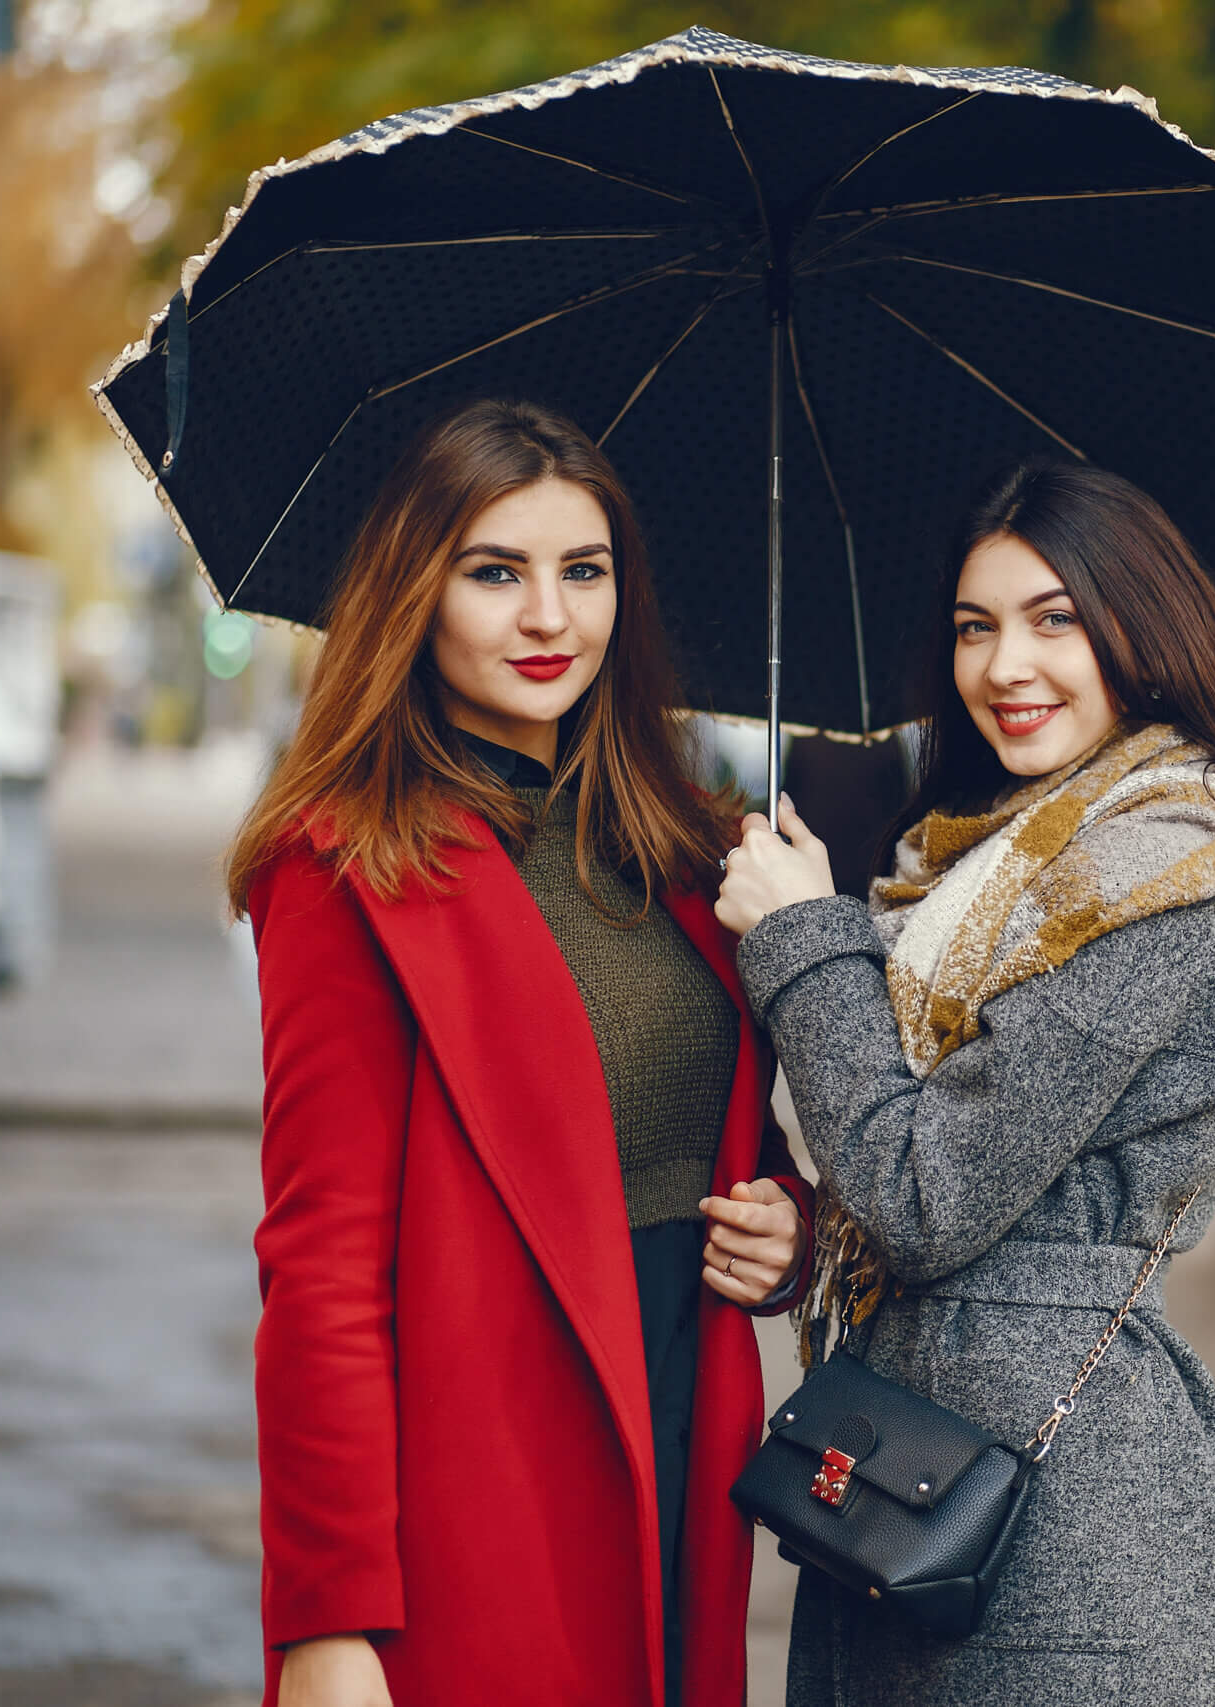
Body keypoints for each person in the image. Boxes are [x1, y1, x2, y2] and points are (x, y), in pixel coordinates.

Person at [716, 459, 1215, 1704]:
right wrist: (807, 1242)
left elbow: (928, 1194)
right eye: (975, 627)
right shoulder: (982, 866)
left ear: (1147, 627)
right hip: (900, 1467)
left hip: (1065, 1522)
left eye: (1052, 618)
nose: (1005, 665)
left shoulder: (1165, 874)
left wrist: (803, 940)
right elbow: (919, 1160)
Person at [226, 398, 813, 1707]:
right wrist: (327, 1620)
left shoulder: (693, 852)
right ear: (416, 593)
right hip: (484, 1465)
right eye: (497, 571)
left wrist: (790, 1223)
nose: (550, 616)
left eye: (584, 570)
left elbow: (710, 1133)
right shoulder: (343, 864)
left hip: (679, 1424)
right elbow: (318, 1267)